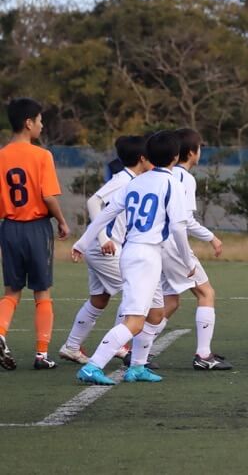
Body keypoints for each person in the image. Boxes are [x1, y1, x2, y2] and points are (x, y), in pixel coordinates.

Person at [75, 130, 195, 385]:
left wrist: (83, 242)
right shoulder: (172, 182)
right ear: (175, 157)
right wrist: (188, 261)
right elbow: (177, 227)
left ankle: (138, 366)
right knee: (134, 321)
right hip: (145, 257)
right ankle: (93, 366)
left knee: (155, 313)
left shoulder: (135, 182)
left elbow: (104, 215)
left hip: (134, 252)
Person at [59, 135, 149, 365]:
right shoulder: (123, 180)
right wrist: (103, 237)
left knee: (99, 299)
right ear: (142, 158)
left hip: (101, 247)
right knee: (132, 291)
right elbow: (92, 202)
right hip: (103, 248)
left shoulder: (131, 179)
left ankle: (71, 346)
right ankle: (119, 346)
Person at [0, 98, 70, 370]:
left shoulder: (2, 155)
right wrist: (62, 221)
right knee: (42, 292)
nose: (42, 125)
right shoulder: (42, 155)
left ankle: (1, 332)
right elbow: (48, 197)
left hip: (9, 228)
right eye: (40, 121)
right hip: (36, 228)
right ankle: (41, 354)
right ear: (28, 123)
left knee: (11, 291)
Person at [159, 128, 231, 370]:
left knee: (170, 301)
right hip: (174, 246)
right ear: (191, 153)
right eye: (200, 148)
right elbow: (185, 221)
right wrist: (212, 238)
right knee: (206, 293)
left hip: (156, 245)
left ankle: (136, 350)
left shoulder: (163, 175)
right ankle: (203, 355)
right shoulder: (185, 178)